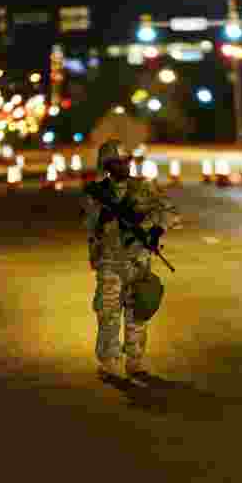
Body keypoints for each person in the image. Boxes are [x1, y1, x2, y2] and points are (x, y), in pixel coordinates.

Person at [82, 140, 180, 380]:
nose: (124, 166)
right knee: (108, 314)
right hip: (110, 262)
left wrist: (156, 230)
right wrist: (102, 217)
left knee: (138, 313)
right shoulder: (98, 193)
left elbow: (171, 212)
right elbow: (90, 228)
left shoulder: (144, 188)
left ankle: (135, 361)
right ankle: (109, 362)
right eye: (118, 162)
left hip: (138, 260)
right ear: (107, 166)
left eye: (126, 161)